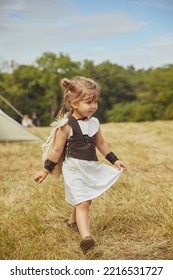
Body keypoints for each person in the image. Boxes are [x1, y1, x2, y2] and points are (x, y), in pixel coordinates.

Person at [34, 76, 126, 252]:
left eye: (95, 101)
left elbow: (101, 144)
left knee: (86, 199)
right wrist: (45, 170)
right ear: (74, 103)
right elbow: (56, 150)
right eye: (88, 102)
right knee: (83, 202)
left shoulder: (95, 123)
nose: (93, 106)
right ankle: (86, 238)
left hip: (90, 167)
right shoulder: (66, 126)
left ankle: (72, 222)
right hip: (74, 168)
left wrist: (115, 159)